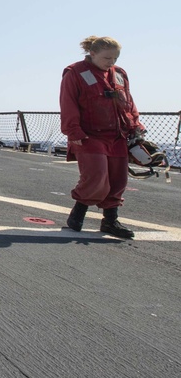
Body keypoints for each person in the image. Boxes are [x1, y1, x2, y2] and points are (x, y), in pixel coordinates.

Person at [59, 36, 141, 239]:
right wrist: (73, 131)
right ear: (92, 54)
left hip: (118, 135)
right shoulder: (75, 73)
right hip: (89, 136)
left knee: (118, 179)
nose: (111, 62)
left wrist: (136, 125)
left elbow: (128, 102)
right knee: (96, 177)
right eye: (107, 58)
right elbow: (68, 102)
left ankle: (110, 221)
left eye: (115, 58)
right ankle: (78, 212)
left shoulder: (120, 74)